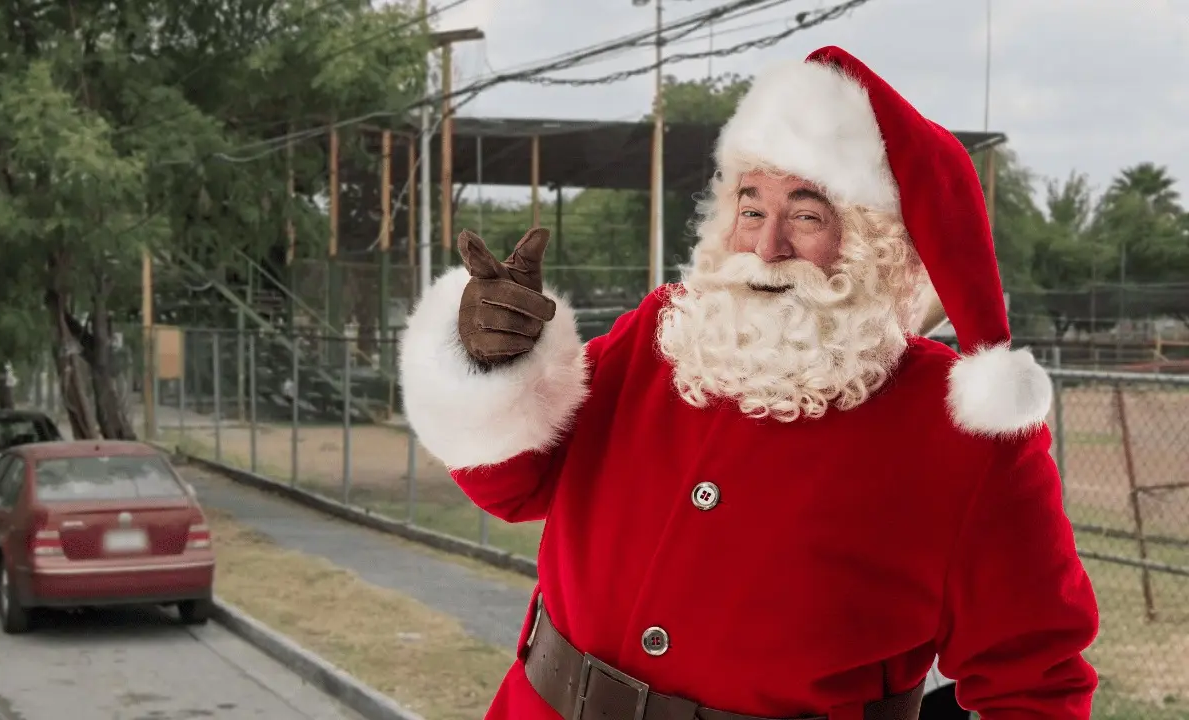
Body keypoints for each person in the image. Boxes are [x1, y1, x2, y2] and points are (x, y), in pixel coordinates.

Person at [399, 46, 1099, 720]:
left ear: (873, 241)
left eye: (805, 214)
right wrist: (494, 364)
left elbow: (1036, 683)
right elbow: (515, 485)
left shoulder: (962, 433)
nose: (767, 246)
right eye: (752, 206)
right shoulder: (655, 338)